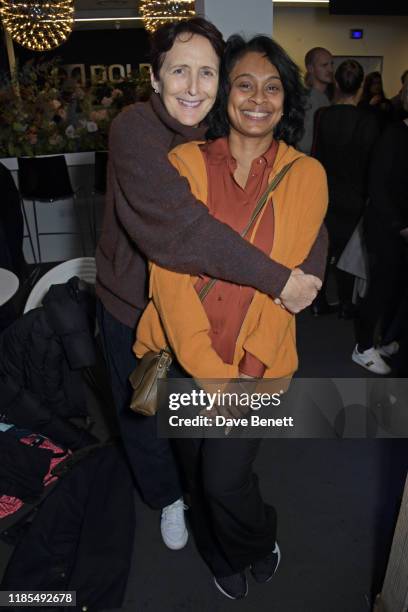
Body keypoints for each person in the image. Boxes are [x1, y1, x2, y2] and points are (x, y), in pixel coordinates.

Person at [96, 17, 327, 551]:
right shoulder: (135, 130)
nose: (194, 87)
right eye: (180, 71)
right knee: (146, 415)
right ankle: (167, 498)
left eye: (207, 73)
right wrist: (278, 280)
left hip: (205, 315)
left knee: (198, 427)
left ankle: (206, 494)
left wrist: (306, 273)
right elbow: (183, 231)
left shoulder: (218, 128)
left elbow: (307, 213)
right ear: (154, 79)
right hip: (134, 309)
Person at [312, 60, 380, 317]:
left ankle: (317, 301)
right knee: (349, 250)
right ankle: (346, 304)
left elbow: (316, 156)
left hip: (326, 191)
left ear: (337, 83)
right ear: (361, 85)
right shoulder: (368, 120)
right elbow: (369, 161)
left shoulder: (323, 116)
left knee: (323, 249)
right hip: (355, 194)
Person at [352, 77, 408, 374]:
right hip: (386, 226)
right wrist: (399, 225)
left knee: (399, 287)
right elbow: (378, 187)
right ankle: (362, 347)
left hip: (400, 226)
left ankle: (387, 338)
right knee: (382, 287)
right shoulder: (393, 134)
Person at [297, 46, 333, 155]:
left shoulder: (324, 97)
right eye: (324, 65)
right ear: (311, 68)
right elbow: (304, 144)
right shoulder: (310, 99)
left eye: (332, 64)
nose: (330, 69)